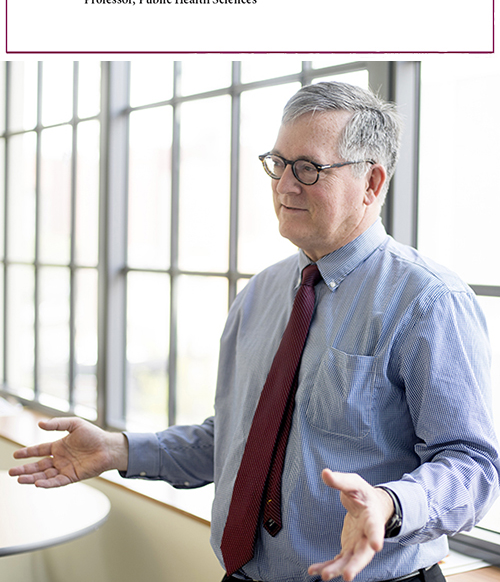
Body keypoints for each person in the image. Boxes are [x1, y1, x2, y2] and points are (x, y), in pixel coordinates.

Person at [9, 82, 500, 582]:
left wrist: (391, 504)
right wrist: (120, 450)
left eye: (308, 168)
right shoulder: (261, 294)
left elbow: (474, 465)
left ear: (372, 182)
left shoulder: (428, 302)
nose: (284, 185)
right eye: (278, 163)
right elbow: (235, 441)